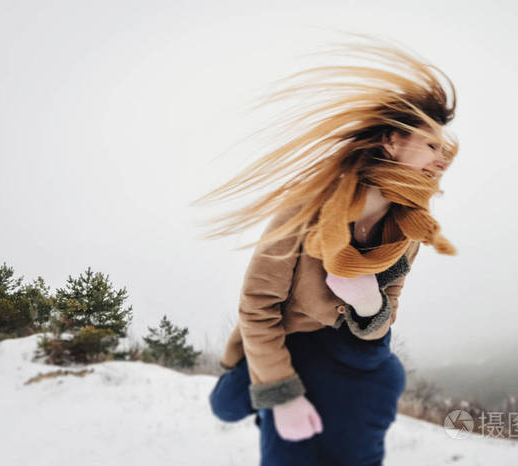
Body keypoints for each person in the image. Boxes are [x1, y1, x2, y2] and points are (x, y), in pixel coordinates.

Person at [195, 32, 460, 466]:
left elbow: (385, 316)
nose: (442, 159)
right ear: (391, 141)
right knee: (238, 412)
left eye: (445, 150)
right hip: (295, 344)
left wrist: (369, 302)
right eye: (432, 145)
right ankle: (245, 388)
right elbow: (259, 307)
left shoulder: (409, 227)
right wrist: (282, 397)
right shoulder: (309, 205)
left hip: (359, 359)